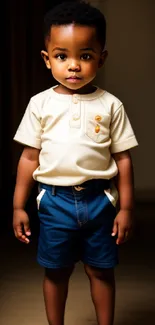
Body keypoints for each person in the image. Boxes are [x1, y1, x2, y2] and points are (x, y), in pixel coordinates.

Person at [13, 1, 138, 325]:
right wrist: (18, 206)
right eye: (61, 55)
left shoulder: (111, 105)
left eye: (84, 55)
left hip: (100, 201)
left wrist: (126, 208)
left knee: (101, 270)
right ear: (47, 58)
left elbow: (123, 158)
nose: (73, 66)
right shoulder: (40, 104)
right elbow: (29, 156)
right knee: (56, 271)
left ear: (101, 57)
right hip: (54, 201)